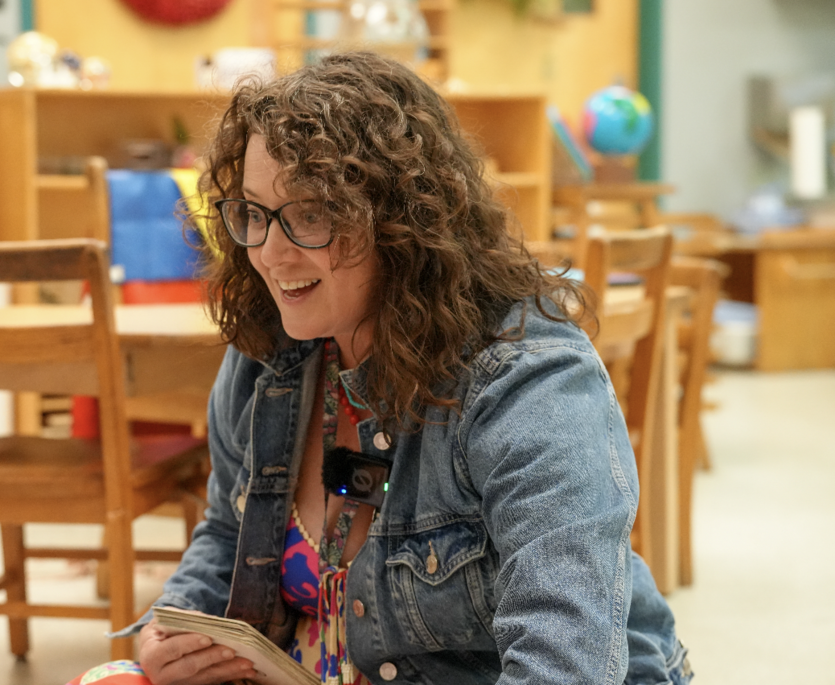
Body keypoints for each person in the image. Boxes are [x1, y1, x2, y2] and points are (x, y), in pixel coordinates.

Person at [90, 51, 691, 685]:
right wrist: (174, 628)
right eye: (254, 213)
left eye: (312, 214)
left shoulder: (527, 381)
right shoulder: (269, 353)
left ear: (405, 223)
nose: (269, 252)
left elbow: (564, 664)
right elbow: (225, 529)